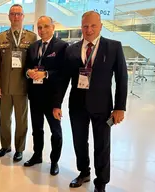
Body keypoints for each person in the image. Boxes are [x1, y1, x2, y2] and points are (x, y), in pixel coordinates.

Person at [53, 11, 128, 192]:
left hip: (102, 107)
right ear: (81, 27)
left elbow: (122, 78)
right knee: (80, 142)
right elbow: (63, 79)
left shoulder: (113, 47)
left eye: (93, 25)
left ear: (101, 26)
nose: (89, 29)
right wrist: (57, 103)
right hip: (77, 105)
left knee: (102, 145)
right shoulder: (71, 49)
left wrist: (120, 108)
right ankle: (84, 172)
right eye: (85, 26)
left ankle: (101, 182)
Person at [24, 16, 68, 176]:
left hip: (52, 98)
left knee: (56, 132)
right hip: (35, 96)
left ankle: (54, 160)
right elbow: (27, 66)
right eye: (40, 27)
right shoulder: (33, 46)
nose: (42, 30)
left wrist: (46, 74)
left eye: (46, 26)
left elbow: (64, 74)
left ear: (53, 27)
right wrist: (28, 72)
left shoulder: (62, 46)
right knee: (37, 129)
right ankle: (37, 155)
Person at [0, 4, 37, 162]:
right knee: (4, 119)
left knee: (21, 119)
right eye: (13, 14)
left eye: (19, 14)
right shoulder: (1, 37)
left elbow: (34, 62)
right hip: (4, 86)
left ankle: (19, 148)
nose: (16, 17)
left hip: (22, 85)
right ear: (9, 17)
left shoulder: (32, 37)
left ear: (23, 16)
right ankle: (5, 146)